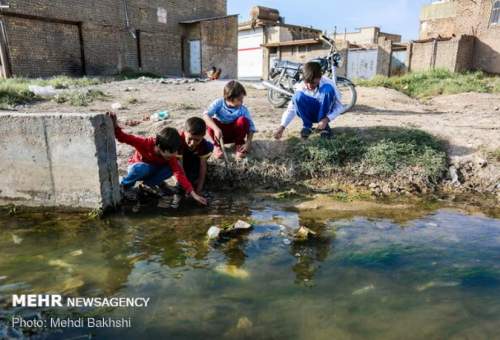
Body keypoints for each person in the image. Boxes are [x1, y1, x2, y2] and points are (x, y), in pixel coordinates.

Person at [107, 112, 207, 206]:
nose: (174, 155)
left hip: (154, 170)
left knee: (171, 169)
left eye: (175, 152)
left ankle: (147, 185)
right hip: (139, 168)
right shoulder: (145, 143)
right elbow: (124, 137)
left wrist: (194, 194)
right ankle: (124, 186)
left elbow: (179, 174)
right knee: (142, 168)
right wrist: (115, 126)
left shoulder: (171, 155)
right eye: (171, 153)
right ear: (159, 147)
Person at [274, 61, 344, 140]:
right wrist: (282, 127)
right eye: (307, 82)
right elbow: (291, 109)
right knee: (297, 96)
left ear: (319, 77)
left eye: (313, 83)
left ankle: (323, 128)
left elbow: (340, 107)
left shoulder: (329, 83)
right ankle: (307, 127)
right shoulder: (300, 86)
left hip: (324, 115)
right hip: (308, 114)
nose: (309, 86)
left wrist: (326, 119)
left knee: (327, 89)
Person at [203, 80, 257, 159]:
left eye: (242, 99)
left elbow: (251, 128)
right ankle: (217, 146)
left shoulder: (243, 109)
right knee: (210, 121)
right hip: (220, 136)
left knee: (243, 120)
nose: (242, 102)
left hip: (234, 136)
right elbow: (205, 116)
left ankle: (239, 146)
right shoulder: (219, 103)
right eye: (239, 100)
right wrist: (216, 129)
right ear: (229, 98)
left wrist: (248, 143)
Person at [178, 117, 213, 195]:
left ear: (203, 136)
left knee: (210, 147)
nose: (192, 143)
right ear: (184, 132)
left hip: (193, 153)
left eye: (197, 140)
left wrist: (199, 189)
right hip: (181, 156)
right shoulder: (178, 141)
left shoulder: (203, 144)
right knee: (184, 182)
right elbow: (179, 167)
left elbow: (203, 166)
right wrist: (188, 188)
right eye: (190, 139)